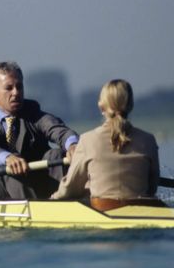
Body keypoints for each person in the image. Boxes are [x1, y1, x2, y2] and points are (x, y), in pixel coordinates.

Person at [0, 61, 78, 199]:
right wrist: (7, 158)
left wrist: (72, 144)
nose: (16, 93)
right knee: (9, 171)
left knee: (55, 154)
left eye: (19, 87)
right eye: (9, 88)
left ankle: (63, 204)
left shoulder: (31, 110)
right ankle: (38, 214)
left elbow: (55, 128)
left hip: (35, 180)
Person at [51, 79, 161, 211]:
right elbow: (152, 188)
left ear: (101, 107)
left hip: (102, 212)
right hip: (142, 211)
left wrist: (52, 199)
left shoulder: (87, 140)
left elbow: (70, 190)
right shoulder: (148, 140)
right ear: (130, 105)